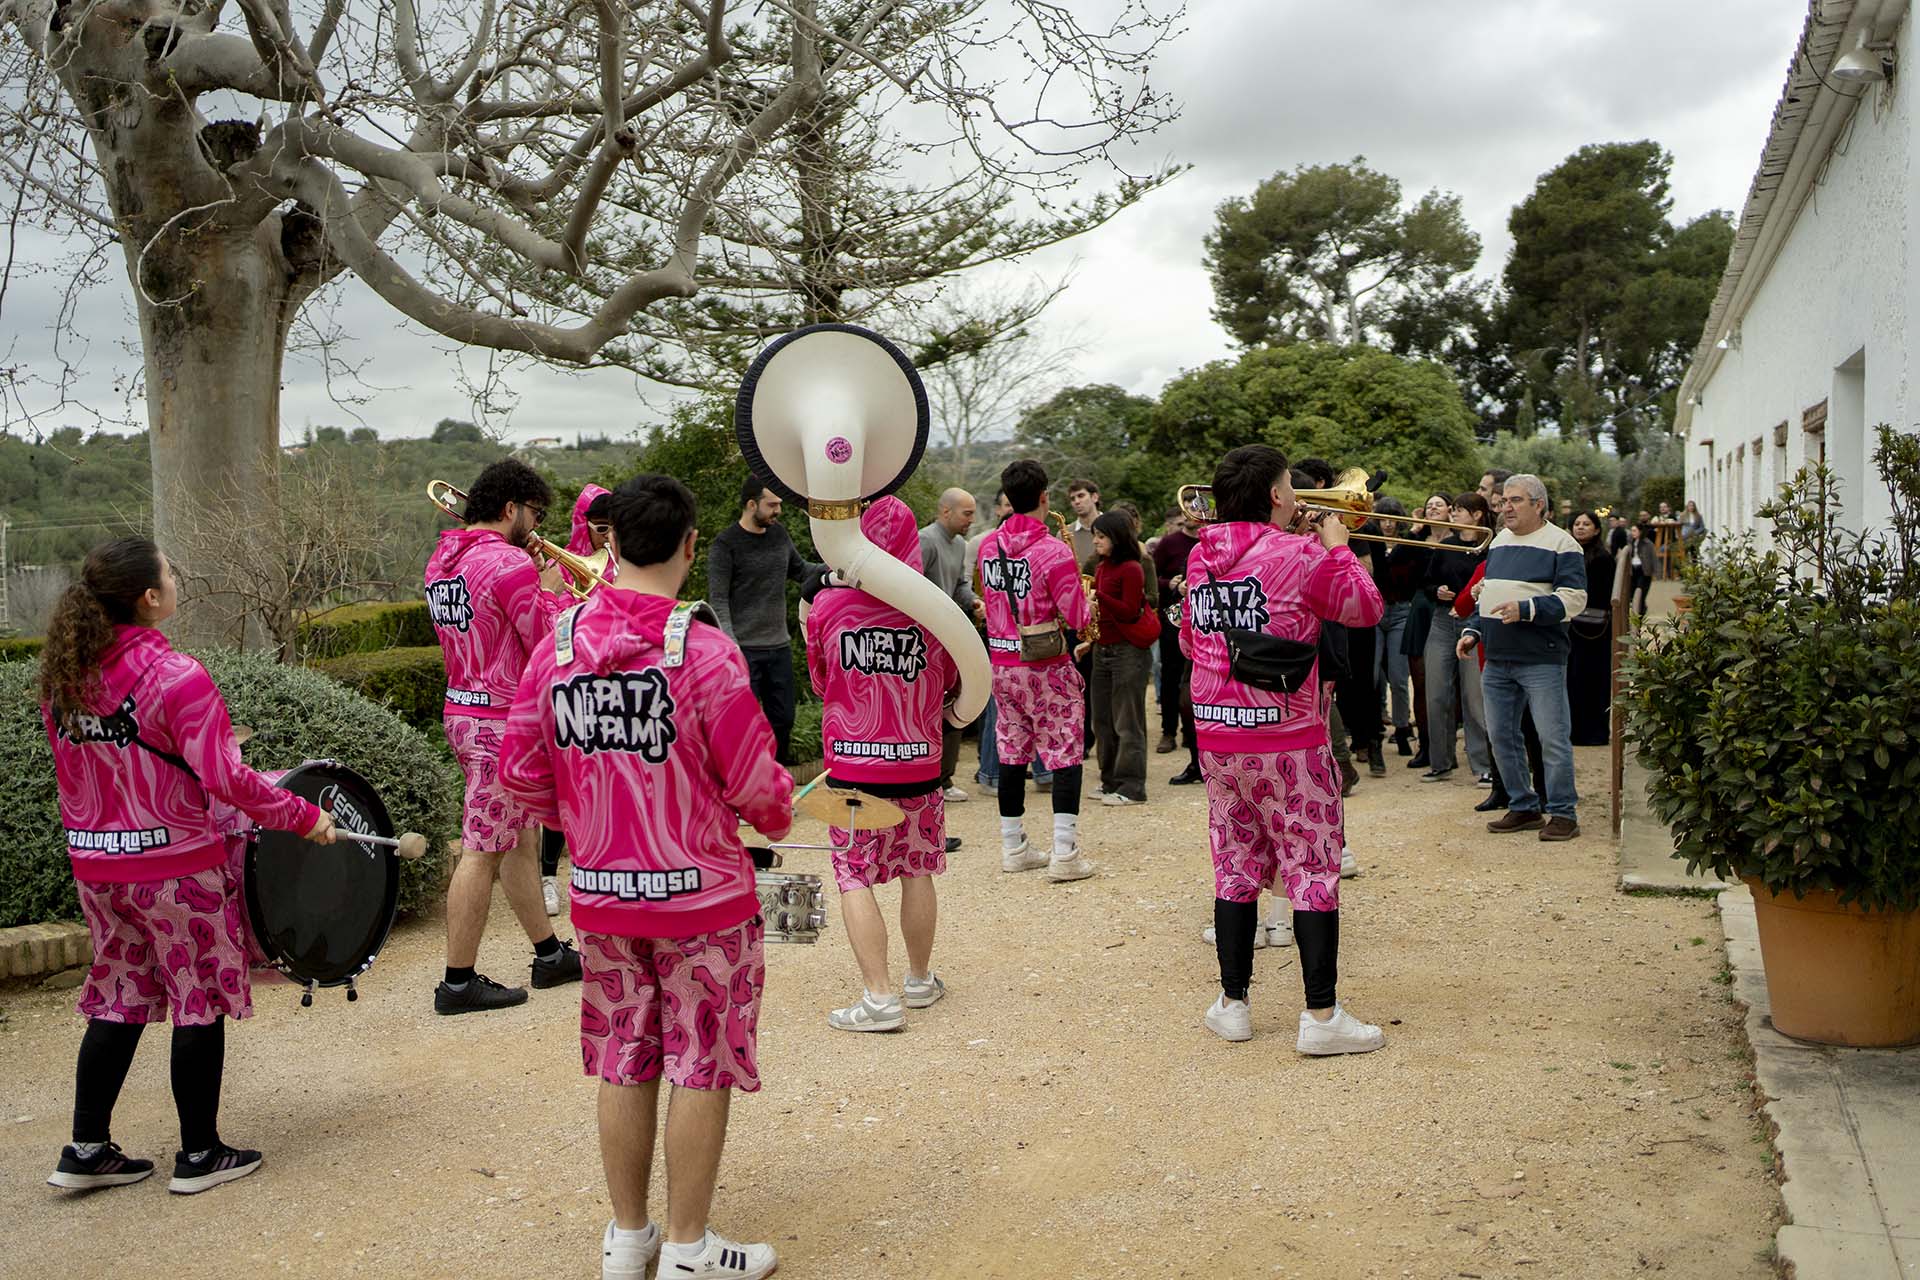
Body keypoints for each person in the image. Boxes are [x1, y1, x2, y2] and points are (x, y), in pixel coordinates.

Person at [499, 474, 794, 1280]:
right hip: (703, 899)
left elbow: (521, 777)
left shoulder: (554, 649)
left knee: (625, 1054)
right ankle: (692, 1249)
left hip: (600, 898)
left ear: (610, 544)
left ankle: (629, 1239)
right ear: (692, 548)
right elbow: (761, 793)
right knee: (700, 1059)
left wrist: (596, 830)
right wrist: (768, 820)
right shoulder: (704, 652)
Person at [40, 538, 339, 1195]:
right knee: (195, 994)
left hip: (97, 870)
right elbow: (225, 776)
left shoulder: (67, 674)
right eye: (169, 574)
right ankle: (200, 1156)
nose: (176, 580)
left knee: (119, 994)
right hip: (175, 870)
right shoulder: (178, 676)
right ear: (149, 597)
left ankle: (87, 1147)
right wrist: (303, 815)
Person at [1183, 445, 1386, 1051]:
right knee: (1313, 866)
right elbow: (1365, 608)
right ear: (1276, 495)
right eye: (1289, 489)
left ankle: (1233, 1003)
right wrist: (1337, 545)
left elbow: (1195, 644)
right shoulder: (1301, 554)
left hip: (1217, 733)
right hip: (1288, 736)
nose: (1300, 499)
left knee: (1235, 863)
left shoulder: (1200, 556)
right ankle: (1321, 1018)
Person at [424, 459, 581, 1014]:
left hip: (463, 707)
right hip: (500, 720)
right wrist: (554, 590)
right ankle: (458, 983)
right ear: (512, 508)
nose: (536, 526)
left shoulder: (443, 560)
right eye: (535, 513)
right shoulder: (509, 562)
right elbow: (544, 638)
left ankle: (548, 954)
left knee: (516, 838)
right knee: (482, 848)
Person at [805, 497, 960, 1032]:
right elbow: (954, 686)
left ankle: (878, 998)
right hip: (919, 762)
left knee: (854, 876)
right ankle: (919, 980)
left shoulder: (830, 608)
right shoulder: (933, 608)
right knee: (917, 869)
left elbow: (822, 681)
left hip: (853, 766)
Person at [976, 459, 1095, 882]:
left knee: (1010, 753)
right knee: (1065, 753)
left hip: (1002, 663)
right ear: (1044, 498)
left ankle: (1014, 846)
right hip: (1046, 666)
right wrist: (1088, 601)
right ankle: (1065, 852)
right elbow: (1077, 616)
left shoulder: (989, 546)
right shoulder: (1053, 551)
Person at [1458, 474, 1587, 842]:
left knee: (1552, 737)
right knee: (1500, 736)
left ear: (1539, 505)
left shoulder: (1563, 545)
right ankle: (1524, 805)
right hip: (1497, 656)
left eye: (1515, 500)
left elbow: (1575, 599)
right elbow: (1491, 593)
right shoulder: (1499, 542)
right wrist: (1473, 631)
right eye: (1504, 501)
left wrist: (1527, 609)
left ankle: (1563, 813)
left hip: (1541, 658)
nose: (1505, 507)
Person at [541, 485, 618, 916]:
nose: (607, 537)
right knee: (562, 789)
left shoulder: (622, 562)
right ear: (583, 523)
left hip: (611, 685)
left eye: (614, 528)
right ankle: (549, 876)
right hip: (571, 685)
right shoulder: (559, 566)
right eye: (601, 528)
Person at [708, 478, 821, 765]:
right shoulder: (725, 545)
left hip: (778, 647)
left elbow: (802, 571)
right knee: (743, 726)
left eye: (779, 505)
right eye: (772, 505)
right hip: (744, 649)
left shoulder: (779, 535)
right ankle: (743, 791)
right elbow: (718, 600)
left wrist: (839, 564)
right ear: (751, 504)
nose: (778, 511)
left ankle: (776, 786)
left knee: (783, 721)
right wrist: (731, 645)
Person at [1080, 510, 1157, 807]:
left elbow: (1128, 609)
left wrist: (1098, 596)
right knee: (1102, 720)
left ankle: (1132, 785)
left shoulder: (1131, 568)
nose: (1096, 541)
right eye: (1095, 536)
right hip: (1104, 648)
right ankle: (1109, 779)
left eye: (1101, 536)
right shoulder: (1102, 566)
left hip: (1128, 650)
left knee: (1128, 720)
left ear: (1116, 538)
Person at [1420, 493, 1494, 783]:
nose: (1453, 514)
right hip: (1441, 620)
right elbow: (1426, 582)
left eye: (1460, 510)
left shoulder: (1491, 545)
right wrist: (1437, 590)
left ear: (1477, 514)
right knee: (1436, 693)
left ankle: (1483, 765)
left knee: (1474, 698)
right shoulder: (1446, 545)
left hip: (1474, 623)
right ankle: (1440, 762)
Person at [920, 488, 982, 820]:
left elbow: (958, 584)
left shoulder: (959, 546)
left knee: (953, 704)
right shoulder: (926, 541)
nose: (971, 520)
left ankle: (945, 778)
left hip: (951, 636)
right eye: (967, 513)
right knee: (928, 707)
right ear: (946, 512)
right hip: (926, 637)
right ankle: (930, 778)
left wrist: (972, 600)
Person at [1152, 507, 1200, 759]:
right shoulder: (1169, 543)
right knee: (1170, 677)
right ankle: (1168, 731)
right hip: (1173, 619)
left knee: (1198, 677)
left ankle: (1193, 733)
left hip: (1203, 620)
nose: (1194, 514)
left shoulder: (1210, 539)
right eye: (1189, 509)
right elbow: (1152, 577)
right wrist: (1170, 584)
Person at [1567, 510, 1616, 746]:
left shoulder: (1603, 558)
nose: (1581, 527)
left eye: (1586, 524)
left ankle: (1595, 732)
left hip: (1595, 630)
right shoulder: (1567, 554)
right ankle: (1575, 730)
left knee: (1594, 679)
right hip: (1572, 628)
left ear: (1597, 529)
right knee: (1573, 678)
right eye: (1577, 523)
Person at [1626, 522, 1653, 618]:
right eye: (1631, 531)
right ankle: (1636, 610)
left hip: (1643, 569)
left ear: (1640, 532)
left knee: (1641, 590)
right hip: (1633, 569)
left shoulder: (1648, 543)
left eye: (1634, 531)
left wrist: (1656, 572)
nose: (1632, 533)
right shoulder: (1630, 542)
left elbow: (1653, 558)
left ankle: (1641, 611)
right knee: (1631, 591)